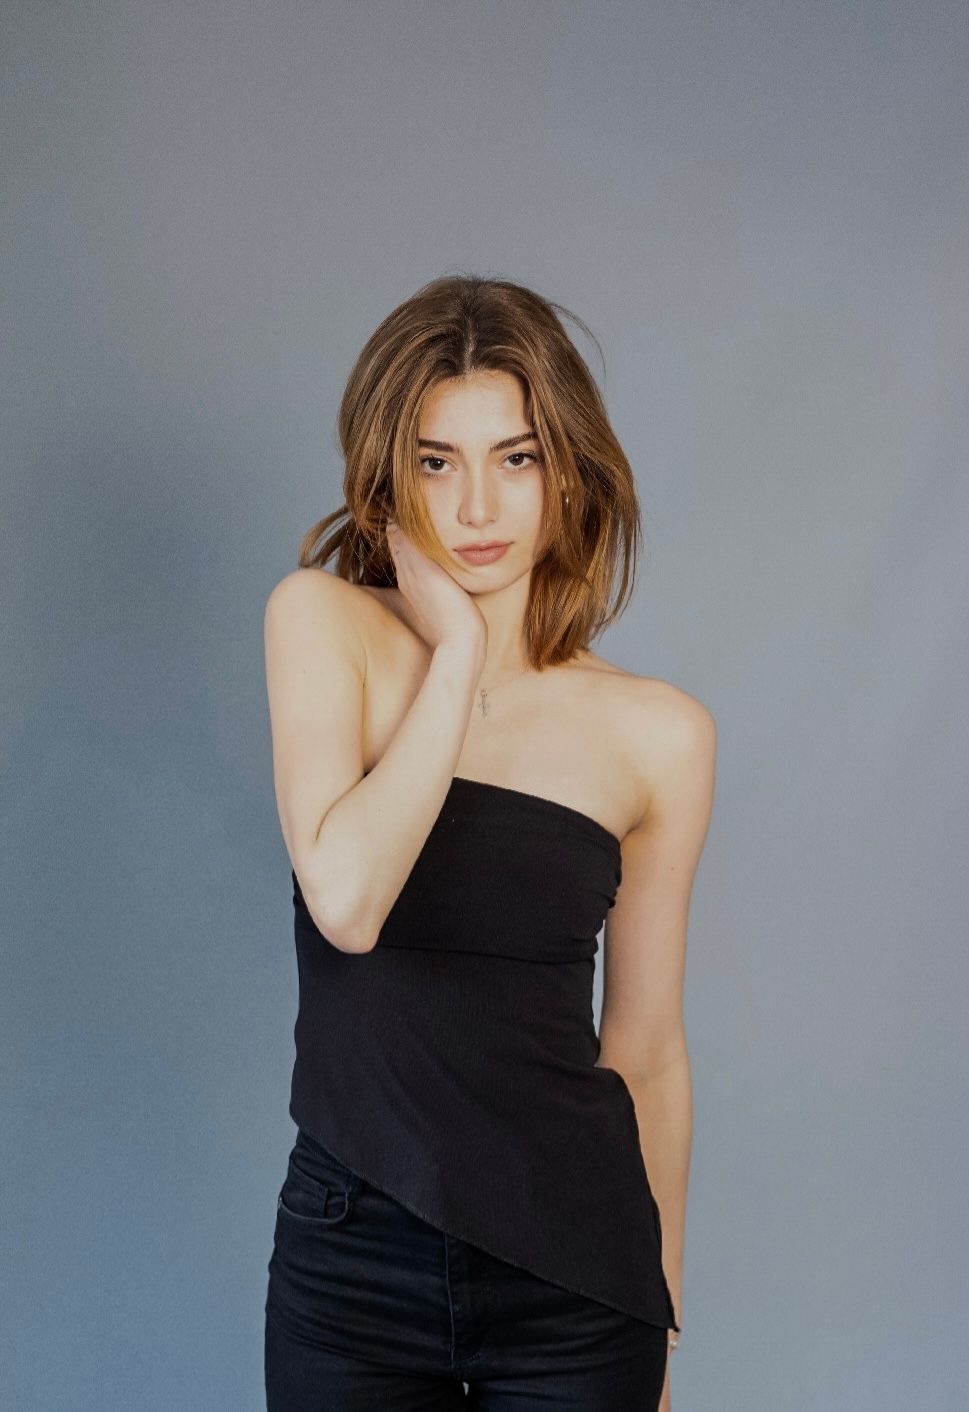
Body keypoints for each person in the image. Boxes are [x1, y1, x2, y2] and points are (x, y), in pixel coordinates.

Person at [261, 273, 717, 1411]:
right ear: (388, 478)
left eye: (515, 457)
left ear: (567, 471)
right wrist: (457, 656)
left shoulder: (659, 733)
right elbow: (349, 902)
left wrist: (659, 1313)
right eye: (435, 461)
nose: (476, 506)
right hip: (352, 1261)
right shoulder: (324, 628)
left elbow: (649, 1048)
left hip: (575, 1272)